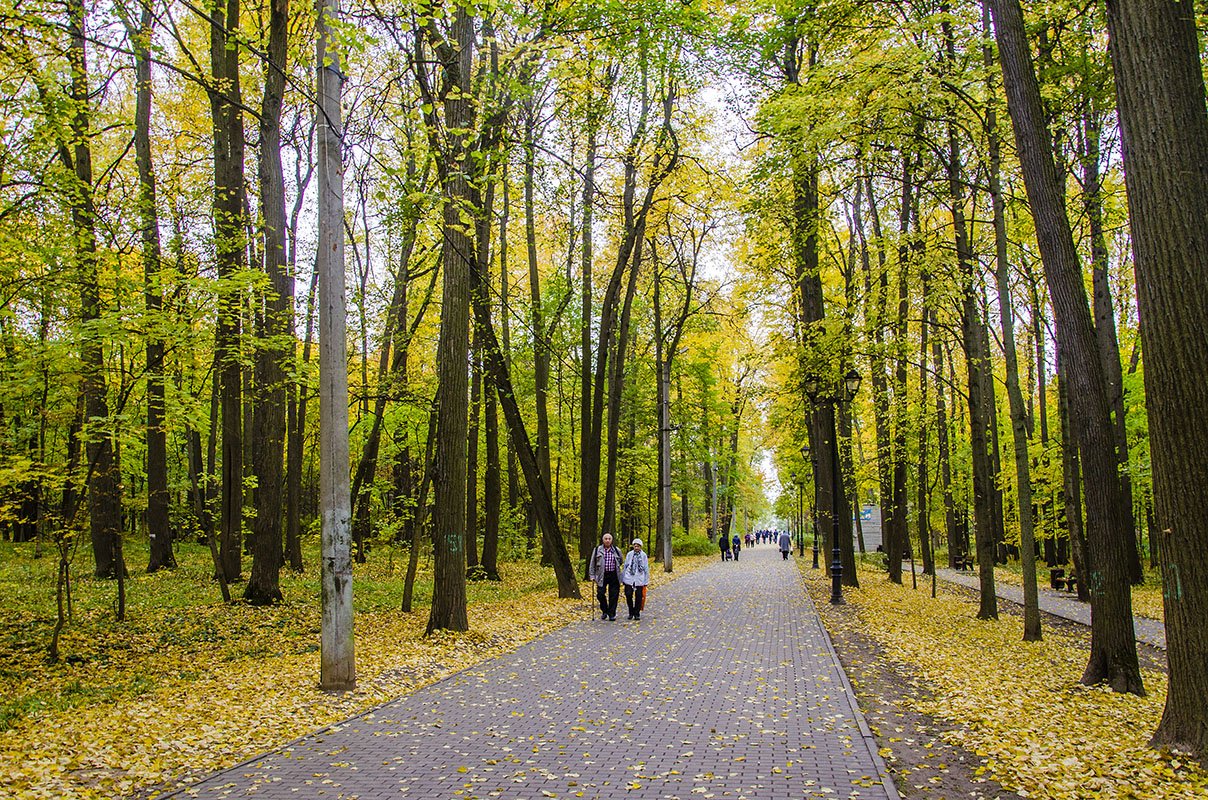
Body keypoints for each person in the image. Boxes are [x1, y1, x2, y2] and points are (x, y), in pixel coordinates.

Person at [588, 533, 623, 621]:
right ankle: (605, 610)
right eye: (606, 538)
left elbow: (621, 561)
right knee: (600, 594)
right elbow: (592, 564)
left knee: (614, 595)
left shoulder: (616, 550)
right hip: (601, 575)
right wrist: (592, 575)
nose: (607, 540)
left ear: (611, 540)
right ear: (603, 540)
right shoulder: (597, 550)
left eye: (609, 539)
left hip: (614, 575)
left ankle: (612, 614)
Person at [622, 538, 650, 620]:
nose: (636, 547)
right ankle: (631, 612)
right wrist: (623, 577)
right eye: (635, 546)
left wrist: (646, 580)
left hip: (639, 579)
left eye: (638, 546)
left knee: (639, 596)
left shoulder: (643, 555)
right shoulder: (629, 554)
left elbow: (646, 568)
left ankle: (637, 613)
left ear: (640, 547)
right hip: (629, 578)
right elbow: (625, 566)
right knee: (628, 594)